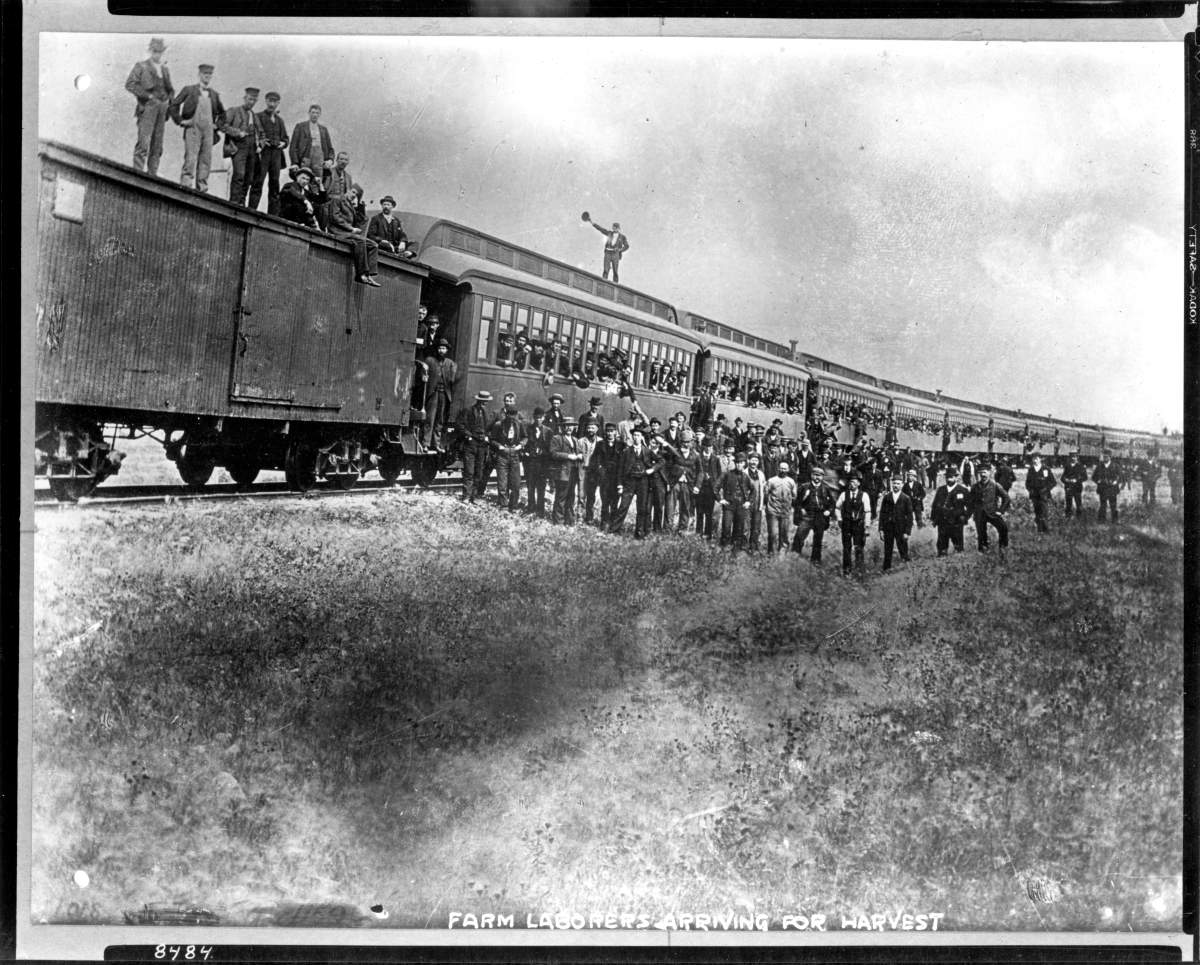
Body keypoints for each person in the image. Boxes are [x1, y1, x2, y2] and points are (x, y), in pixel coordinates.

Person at [168, 63, 228, 193]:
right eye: (205, 74)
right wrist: (180, 121)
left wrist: (216, 125)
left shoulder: (214, 94)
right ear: (199, 75)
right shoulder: (189, 90)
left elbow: (223, 114)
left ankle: (202, 188)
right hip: (193, 128)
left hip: (208, 131)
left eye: (210, 74)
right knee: (191, 157)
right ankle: (186, 186)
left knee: (206, 159)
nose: (207, 76)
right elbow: (173, 105)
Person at [125, 37, 175, 177]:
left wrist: (169, 101)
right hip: (148, 107)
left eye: (160, 51)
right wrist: (148, 96)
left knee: (157, 145)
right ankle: (138, 174)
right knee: (143, 143)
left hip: (162, 109)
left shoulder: (164, 69)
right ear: (150, 51)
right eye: (155, 51)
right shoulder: (141, 66)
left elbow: (170, 89)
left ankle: (152, 175)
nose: (157, 54)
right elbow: (130, 84)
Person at [611, 428, 661, 540]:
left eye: (638, 435)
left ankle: (639, 532)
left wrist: (652, 469)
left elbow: (661, 461)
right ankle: (614, 529)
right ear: (632, 437)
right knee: (623, 506)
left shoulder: (647, 451)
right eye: (634, 435)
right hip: (629, 482)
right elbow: (620, 469)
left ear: (642, 437)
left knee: (641, 508)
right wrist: (620, 485)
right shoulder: (626, 451)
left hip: (643, 482)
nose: (636, 437)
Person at [327, 184, 381, 286]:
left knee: (374, 245)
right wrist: (351, 229)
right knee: (360, 240)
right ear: (348, 190)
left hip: (347, 233)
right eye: (353, 192)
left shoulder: (351, 205)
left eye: (356, 195)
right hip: (337, 231)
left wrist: (361, 207)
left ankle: (368, 274)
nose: (353, 195)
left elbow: (361, 221)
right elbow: (335, 217)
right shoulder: (338, 199)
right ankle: (360, 274)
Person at [249, 91, 288, 215]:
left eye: (274, 102)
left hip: (276, 155)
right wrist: (261, 142)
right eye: (270, 101)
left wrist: (283, 143)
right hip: (263, 153)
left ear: (278, 103)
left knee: (274, 184)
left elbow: (286, 138)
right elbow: (254, 134)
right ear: (266, 101)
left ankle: (273, 215)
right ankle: (251, 211)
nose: (272, 104)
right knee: (258, 182)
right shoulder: (258, 116)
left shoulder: (280, 121)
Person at [223, 87, 261, 206]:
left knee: (248, 178)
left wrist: (261, 144)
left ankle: (241, 204)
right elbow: (222, 124)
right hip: (239, 147)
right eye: (250, 99)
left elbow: (261, 133)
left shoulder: (254, 116)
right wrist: (237, 133)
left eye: (254, 100)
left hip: (252, 149)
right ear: (245, 98)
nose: (251, 102)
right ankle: (234, 203)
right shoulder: (234, 111)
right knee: (239, 174)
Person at [792, 464, 836, 563]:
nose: (817, 477)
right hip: (807, 515)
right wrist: (801, 509)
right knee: (799, 536)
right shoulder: (804, 487)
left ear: (822, 477)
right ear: (811, 475)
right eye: (815, 475)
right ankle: (794, 557)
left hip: (820, 516)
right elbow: (796, 502)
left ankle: (815, 560)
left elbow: (832, 503)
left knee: (818, 539)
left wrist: (829, 511)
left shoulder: (825, 488)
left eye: (819, 476)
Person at [489, 392, 525, 512]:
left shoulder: (519, 425)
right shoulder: (499, 425)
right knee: (502, 483)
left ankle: (513, 506)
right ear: (506, 415)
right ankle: (503, 505)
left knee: (516, 483)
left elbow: (525, 437)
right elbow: (492, 439)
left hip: (515, 455)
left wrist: (520, 445)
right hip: (502, 456)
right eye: (509, 415)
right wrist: (499, 446)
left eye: (514, 415)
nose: (512, 418)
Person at [456, 391, 495, 502]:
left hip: (482, 445)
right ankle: (466, 496)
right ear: (478, 400)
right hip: (471, 444)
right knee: (469, 471)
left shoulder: (487, 413)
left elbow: (490, 427)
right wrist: (468, 436)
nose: (485, 403)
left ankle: (474, 496)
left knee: (479, 472)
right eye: (483, 401)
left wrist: (487, 437)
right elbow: (460, 424)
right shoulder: (468, 410)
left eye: (486, 401)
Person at [289, 104, 335, 187]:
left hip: (319, 161)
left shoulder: (323, 130)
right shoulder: (300, 126)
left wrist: (330, 160)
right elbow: (293, 146)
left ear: (320, 114)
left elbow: (330, 148)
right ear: (309, 113)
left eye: (317, 113)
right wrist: (294, 162)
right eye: (313, 112)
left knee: (317, 184)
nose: (315, 115)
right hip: (305, 159)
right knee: (302, 181)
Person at [930, 464, 971, 555]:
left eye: (951, 477)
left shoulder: (963, 490)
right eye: (947, 477)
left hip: (956, 521)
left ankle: (958, 556)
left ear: (956, 477)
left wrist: (965, 517)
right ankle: (942, 555)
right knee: (942, 543)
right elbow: (935, 505)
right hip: (943, 520)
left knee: (958, 544)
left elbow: (970, 506)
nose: (949, 479)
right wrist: (933, 518)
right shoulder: (941, 490)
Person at [969, 462, 1011, 553]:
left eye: (984, 472)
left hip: (992, 512)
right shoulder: (975, 487)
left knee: (1003, 528)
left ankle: (1003, 547)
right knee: (981, 533)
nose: (983, 475)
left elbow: (1006, 498)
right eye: (981, 473)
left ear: (989, 472)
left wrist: (1001, 511)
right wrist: (971, 513)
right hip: (980, 513)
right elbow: (971, 501)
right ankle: (983, 549)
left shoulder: (995, 485)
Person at [550, 419, 584, 525]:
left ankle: (569, 520)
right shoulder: (557, 438)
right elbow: (553, 453)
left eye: (571, 426)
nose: (569, 428)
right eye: (567, 426)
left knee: (571, 496)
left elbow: (580, 452)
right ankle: (558, 521)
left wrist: (580, 455)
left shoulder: (575, 439)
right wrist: (568, 456)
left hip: (573, 471)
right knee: (561, 497)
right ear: (562, 427)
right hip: (562, 472)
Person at [718, 452, 754, 551]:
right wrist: (720, 499)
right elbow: (716, 486)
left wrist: (748, 502)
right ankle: (725, 547)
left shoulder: (746, 476)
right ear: (735, 463)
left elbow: (753, 490)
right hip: (729, 505)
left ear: (744, 464)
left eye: (741, 463)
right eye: (737, 462)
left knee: (739, 528)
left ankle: (736, 548)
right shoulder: (727, 474)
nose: (739, 465)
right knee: (726, 527)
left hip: (741, 506)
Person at [878, 475, 914, 571]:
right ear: (891, 484)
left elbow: (910, 516)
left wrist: (907, 532)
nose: (896, 485)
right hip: (888, 528)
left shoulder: (906, 498)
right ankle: (886, 569)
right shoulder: (887, 497)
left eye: (898, 484)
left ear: (902, 485)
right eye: (894, 483)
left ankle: (906, 569)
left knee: (903, 549)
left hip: (901, 528)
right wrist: (881, 529)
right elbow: (882, 514)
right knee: (888, 549)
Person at [836, 472, 870, 576]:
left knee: (859, 547)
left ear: (859, 483)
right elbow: (837, 508)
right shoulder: (844, 495)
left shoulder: (864, 495)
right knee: (846, 548)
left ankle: (859, 571)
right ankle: (847, 571)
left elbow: (867, 511)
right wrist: (839, 519)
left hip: (858, 525)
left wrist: (867, 526)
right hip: (846, 524)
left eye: (854, 482)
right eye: (851, 482)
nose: (852, 484)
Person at [524, 407, 553, 518]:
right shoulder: (528, 429)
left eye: (540, 418)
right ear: (533, 418)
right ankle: (531, 508)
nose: (538, 420)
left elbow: (551, 448)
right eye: (536, 418)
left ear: (543, 418)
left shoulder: (548, 431)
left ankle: (540, 510)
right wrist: (526, 453)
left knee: (541, 486)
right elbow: (524, 443)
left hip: (542, 463)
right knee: (530, 486)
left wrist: (543, 452)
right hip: (530, 462)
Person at [592, 423, 623, 527]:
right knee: (605, 500)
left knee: (615, 501)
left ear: (615, 432)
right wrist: (600, 469)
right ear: (605, 432)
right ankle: (604, 522)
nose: (610, 433)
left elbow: (623, 461)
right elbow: (595, 459)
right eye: (608, 431)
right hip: (604, 476)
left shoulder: (621, 445)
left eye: (612, 431)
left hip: (616, 476)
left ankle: (613, 523)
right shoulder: (600, 444)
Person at [764, 459, 798, 554]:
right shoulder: (771, 480)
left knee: (784, 533)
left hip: (785, 511)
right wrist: (769, 506)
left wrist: (789, 504)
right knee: (773, 533)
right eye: (781, 468)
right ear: (778, 469)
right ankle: (772, 553)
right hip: (773, 511)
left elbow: (794, 495)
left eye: (785, 469)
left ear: (788, 470)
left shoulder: (791, 481)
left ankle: (782, 552)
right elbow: (766, 494)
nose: (783, 470)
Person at [1024, 453, 1057, 533]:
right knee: (1037, 512)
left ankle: (1046, 531)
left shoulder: (1046, 469)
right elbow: (1027, 483)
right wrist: (1030, 490)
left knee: (1044, 512)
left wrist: (1046, 489)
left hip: (1044, 495)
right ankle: (1039, 530)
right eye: (1033, 459)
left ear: (1040, 459)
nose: (1035, 460)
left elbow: (1053, 482)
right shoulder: (1031, 470)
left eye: (1037, 459)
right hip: (1034, 495)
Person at [576, 420, 601, 523]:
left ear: (597, 429)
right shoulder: (580, 441)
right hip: (583, 470)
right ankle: (580, 516)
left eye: (593, 428)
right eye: (589, 428)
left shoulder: (601, 441)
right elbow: (577, 455)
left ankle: (590, 517)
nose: (590, 430)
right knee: (581, 494)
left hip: (594, 472)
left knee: (592, 495)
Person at [1092, 449, 1121, 523]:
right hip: (1103, 488)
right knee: (1103, 505)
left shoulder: (1115, 466)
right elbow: (1094, 477)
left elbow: (1120, 477)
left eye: (1107, 457)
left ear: (1110, 457)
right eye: (1104, 457)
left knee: (1113, 505)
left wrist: (1115, 482)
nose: (1105, 458)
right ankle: (1102, 520)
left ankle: (1115, 520)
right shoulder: (1099, 466)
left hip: (1112, 488)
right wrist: (1098, 481)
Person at [1061, 451, 1087, 519]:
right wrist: (1066, 480)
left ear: (1077, 458)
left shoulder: (1081, 466)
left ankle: (1079, 518)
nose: (1073, 458)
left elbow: (1085, 477)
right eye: (1072, 457)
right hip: (1068, 487)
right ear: (1069, 458)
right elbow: (1062, 477)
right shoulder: (1067, 466)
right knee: (1068, 503)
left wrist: (1077, 480)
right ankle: (1068, 517)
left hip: (1077, 487)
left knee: (1078, 503)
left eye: (1075, 457)